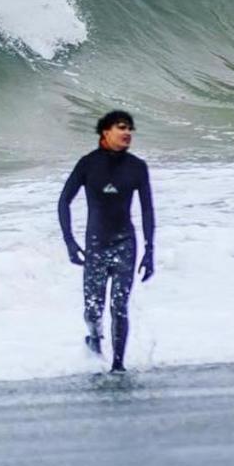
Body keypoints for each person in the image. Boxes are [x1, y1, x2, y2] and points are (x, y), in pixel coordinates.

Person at [57, 110, 155, 373]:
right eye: (121, 128)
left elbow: (147, 210)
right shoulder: (88, 164)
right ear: (105, 132)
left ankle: (118, 364)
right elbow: (64, 201)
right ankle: (94, 340)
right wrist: (70, 242)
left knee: (119, 306)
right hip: (96, 245)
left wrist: (149, 251)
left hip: (125, 243)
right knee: (93, 309)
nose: (127, 134)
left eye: (130, 129)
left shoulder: (137, 167)